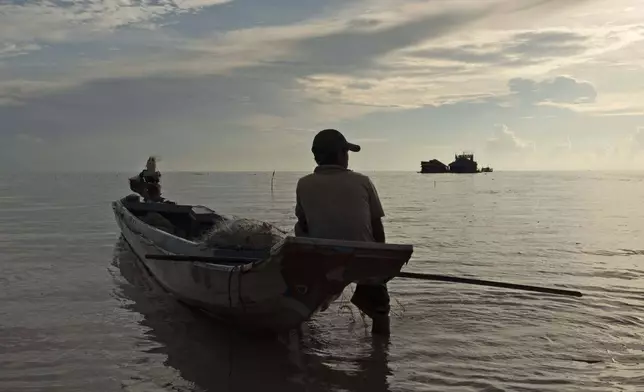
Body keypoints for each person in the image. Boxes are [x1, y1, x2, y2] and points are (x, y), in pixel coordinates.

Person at [294, 129, 390, 335]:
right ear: (339, 155)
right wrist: (379, 267)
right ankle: (381, 348)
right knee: (380, 309)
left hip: (322, 258)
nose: (347, 157)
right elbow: (377, 228)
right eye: (346, 152)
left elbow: (303, 224)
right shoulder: (362, 181)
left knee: (299, 227)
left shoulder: (303, 184)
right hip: (363, 258)